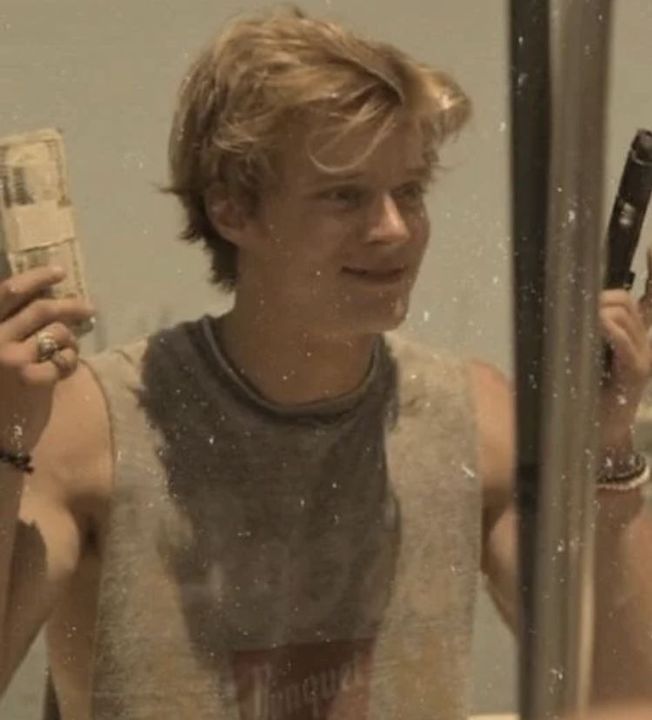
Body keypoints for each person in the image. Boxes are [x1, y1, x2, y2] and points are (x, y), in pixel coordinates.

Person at [1, 6, 652, 720]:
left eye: (409, 191)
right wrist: (5, 443)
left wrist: (610, 448)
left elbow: (616, 697)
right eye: (345, 195)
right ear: (233, 212)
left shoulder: (475, 420)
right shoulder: (94, 429)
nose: (394, 229)